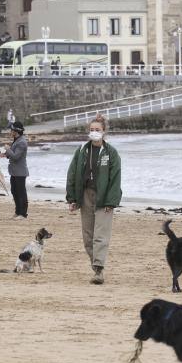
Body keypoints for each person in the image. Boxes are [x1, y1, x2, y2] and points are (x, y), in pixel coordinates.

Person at [66, 115, 122, 285]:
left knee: (101, 235)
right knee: (88, 236)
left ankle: (99, 270)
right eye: (92, 130)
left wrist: (111, 201)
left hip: (104, 198)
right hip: (85, 196)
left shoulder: (111, 153)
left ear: (104, 132)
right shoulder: (82, 150)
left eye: (97, 130)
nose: (94, 132)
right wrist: (72, 198)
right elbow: (72, 174)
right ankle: (95, 265)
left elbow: (115, 178)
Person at [1, 121, 29, 219]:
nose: (10, 131)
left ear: (16, 131)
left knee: (21, 192)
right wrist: (5, 153)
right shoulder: (16, 140)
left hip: (20, 172)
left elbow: (16, 156)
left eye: (12, 130)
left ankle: (23, 214)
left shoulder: (22, 142)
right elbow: (11, 155)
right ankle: (17, 212)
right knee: (14, 191)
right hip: (14, 172)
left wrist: (8, 149)